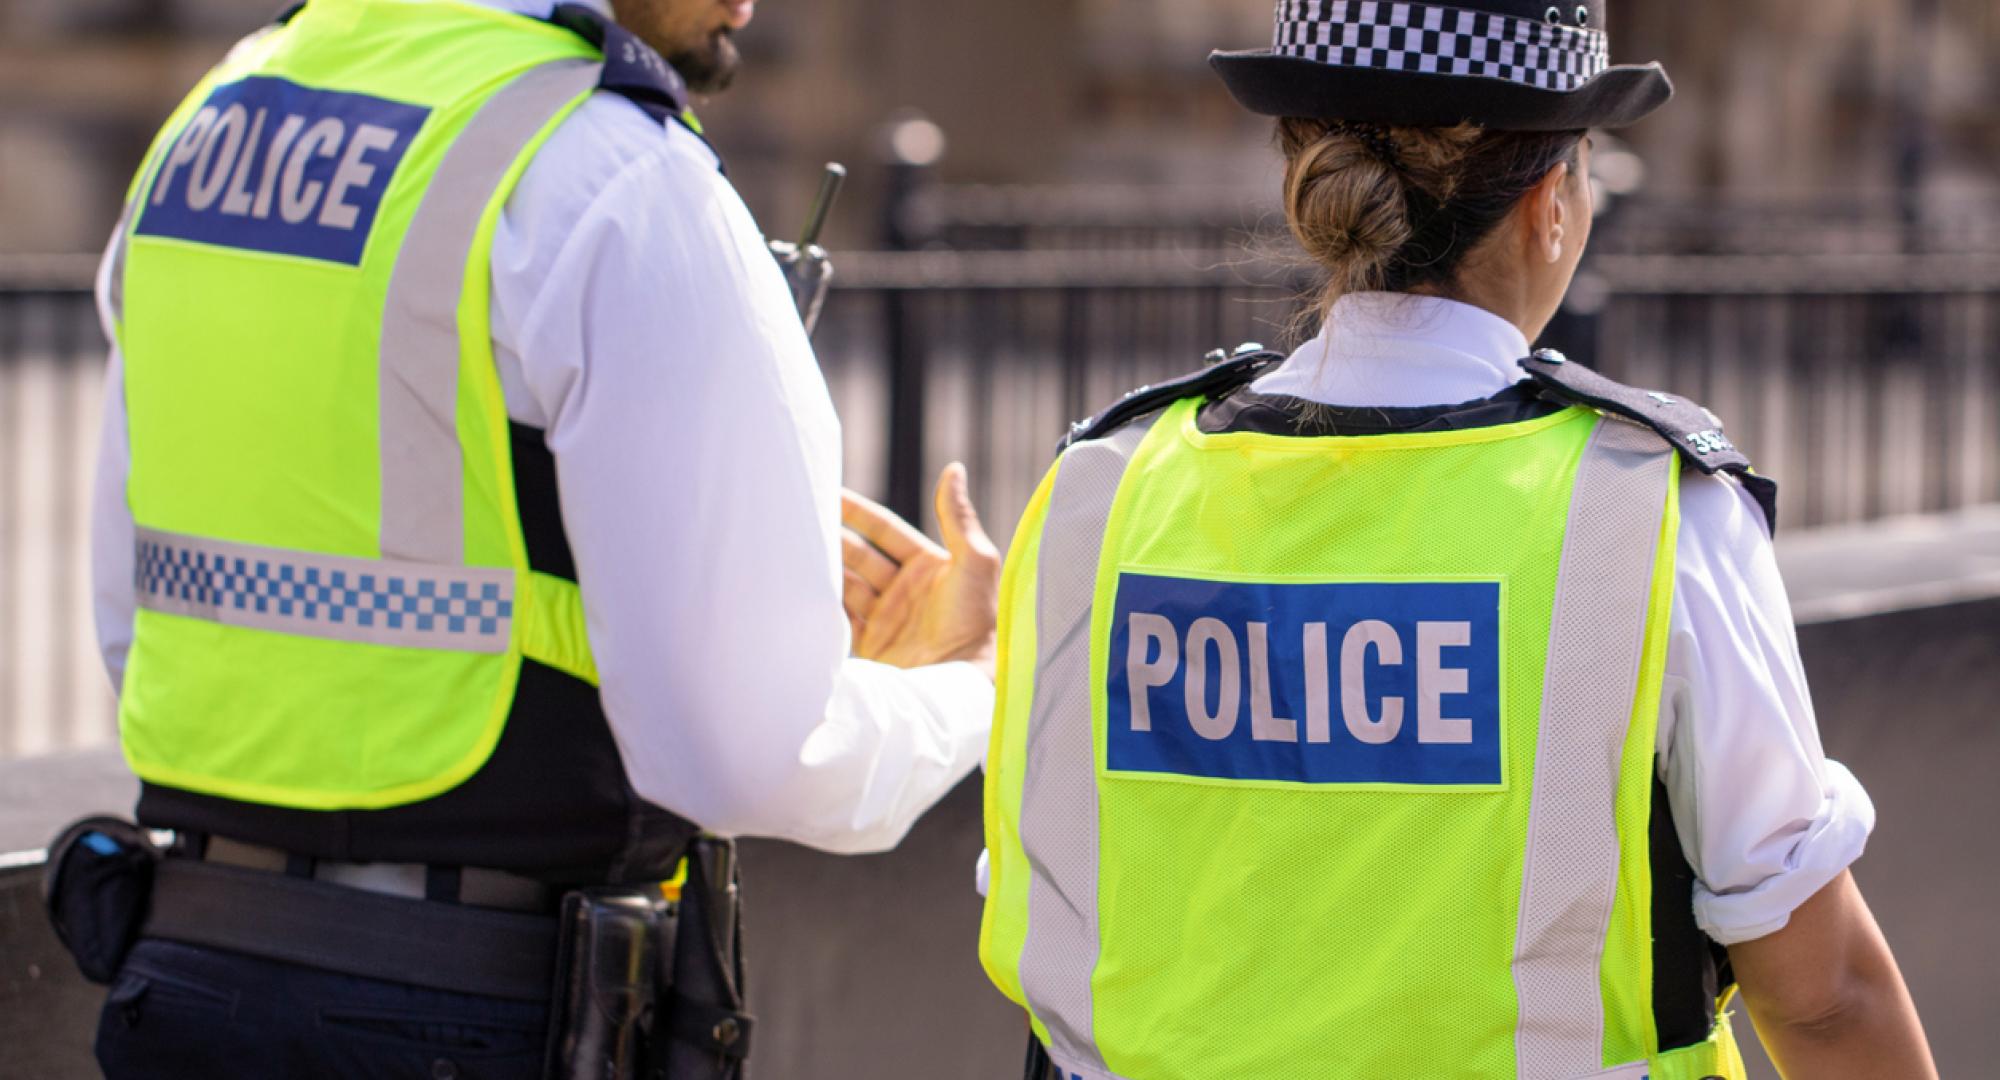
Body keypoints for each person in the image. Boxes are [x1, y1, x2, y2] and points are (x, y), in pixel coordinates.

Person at [855, 1, 1938, 1077]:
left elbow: (1055, 910)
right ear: (1552, 204)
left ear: (1307, 186)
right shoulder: (1647, 511)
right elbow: (1825, 995)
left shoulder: (1099, 487)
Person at [78, 0, 1000, 1075]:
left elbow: (131, 628)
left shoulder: (214, 119)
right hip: (466, 1009)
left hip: (181, 982)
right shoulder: (606, 164)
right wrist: (963, 683)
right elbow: (746, 756)